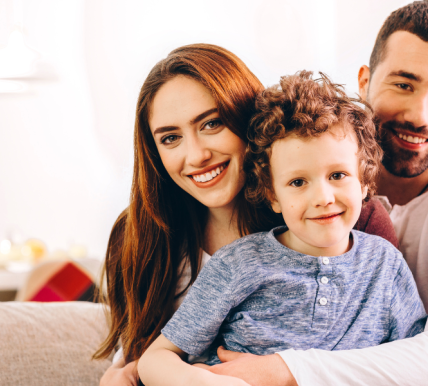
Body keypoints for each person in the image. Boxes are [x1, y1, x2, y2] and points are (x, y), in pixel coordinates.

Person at [203, 2, 428, 385]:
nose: (420, 115)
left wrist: (286, 369)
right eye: (403, 84)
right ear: (364, 81)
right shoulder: (312, 185)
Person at [95, 44, 398, 386]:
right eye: (170, 138)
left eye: (211, 123)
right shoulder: (139, 234)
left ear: (247, 119)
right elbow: (144, 351)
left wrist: (287, 371)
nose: (196, 156)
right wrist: (120, 371)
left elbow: (404, 355)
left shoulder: (347, 220)